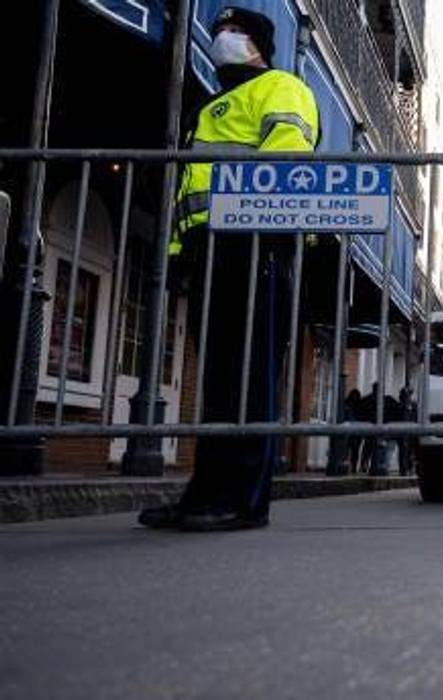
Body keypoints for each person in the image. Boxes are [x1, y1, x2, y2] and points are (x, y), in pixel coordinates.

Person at [139, 6, 319, 531]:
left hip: (255, 246)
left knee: (249, 378)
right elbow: (189, 191)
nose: (224, 38)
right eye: (219, 30)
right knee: (218, 381)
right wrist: (178, 253)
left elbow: (285, 166)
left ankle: (242, 501)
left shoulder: (281, 87)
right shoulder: (213, 105)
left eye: (237, 31)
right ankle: (204, 494)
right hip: (210, 250)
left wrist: (254, 226)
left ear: (261, 45)